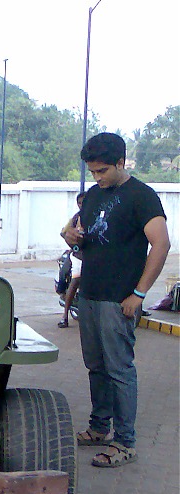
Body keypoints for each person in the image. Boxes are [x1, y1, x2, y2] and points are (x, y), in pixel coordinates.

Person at [63, 132, 170, 468]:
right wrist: (71, 238)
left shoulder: (142, 197)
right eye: (93, 172)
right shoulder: (94, 196)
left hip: (118, 300)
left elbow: (162, 245)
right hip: (91, 296)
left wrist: (138, 295)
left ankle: (125, 442)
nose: (98, 177)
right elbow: (86, 246)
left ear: (122, 163)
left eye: (103, 171)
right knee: (96, 367)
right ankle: (99, 427)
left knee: (120, 370)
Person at [58, 192, 85, 327]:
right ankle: (64, 316)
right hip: (79, 255)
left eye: (84, 202)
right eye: (79, 203)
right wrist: (73, 246)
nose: (82, 205)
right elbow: (64, 233)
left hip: (93, 256)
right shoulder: (76, 218)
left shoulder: (97, 216)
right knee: (76, 280)